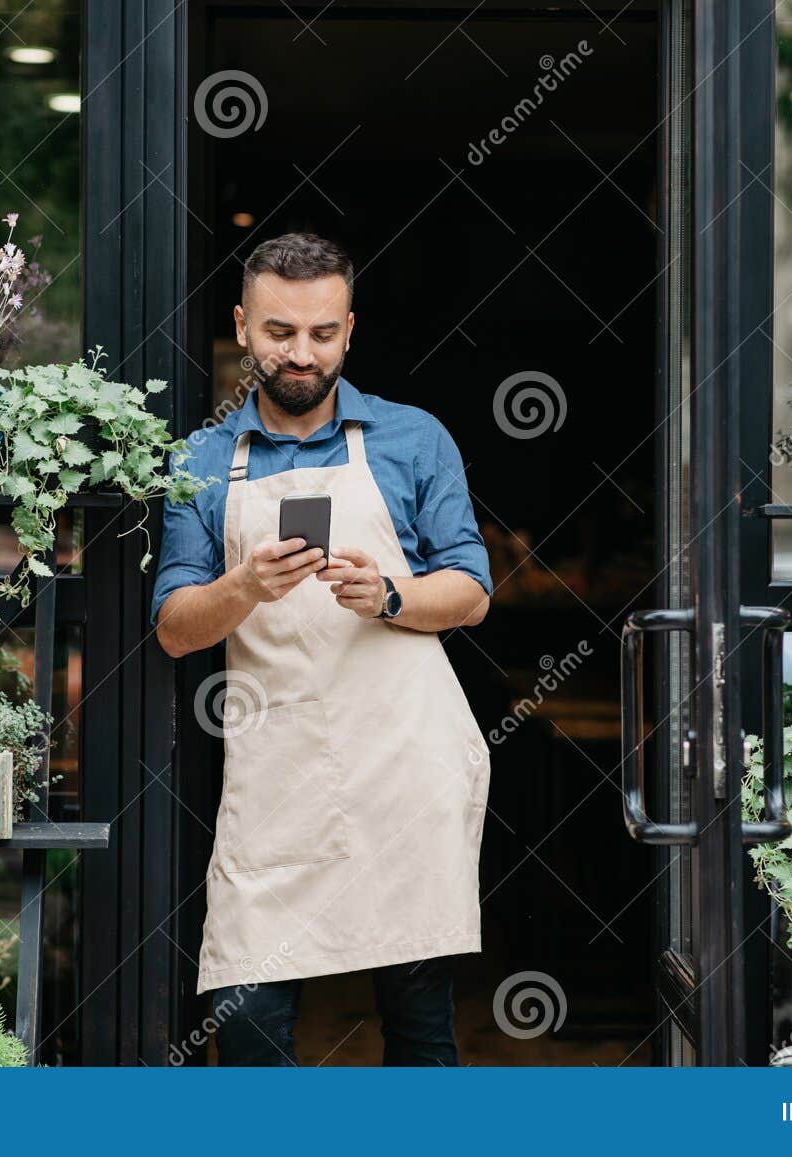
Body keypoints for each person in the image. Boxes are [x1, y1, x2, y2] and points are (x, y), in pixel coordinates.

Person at [152, 231, 493, 1066]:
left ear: (350, 329)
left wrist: (389, 595)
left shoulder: (413, 439)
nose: (300, 354)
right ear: (242, 326)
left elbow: (474, 590)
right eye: (278, 332)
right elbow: (172, 628)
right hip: (276, 775)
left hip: (404, 772)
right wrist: (245, 587)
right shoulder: (200, 461)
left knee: (418, 1028)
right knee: (248, 1025)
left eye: (321, 332)